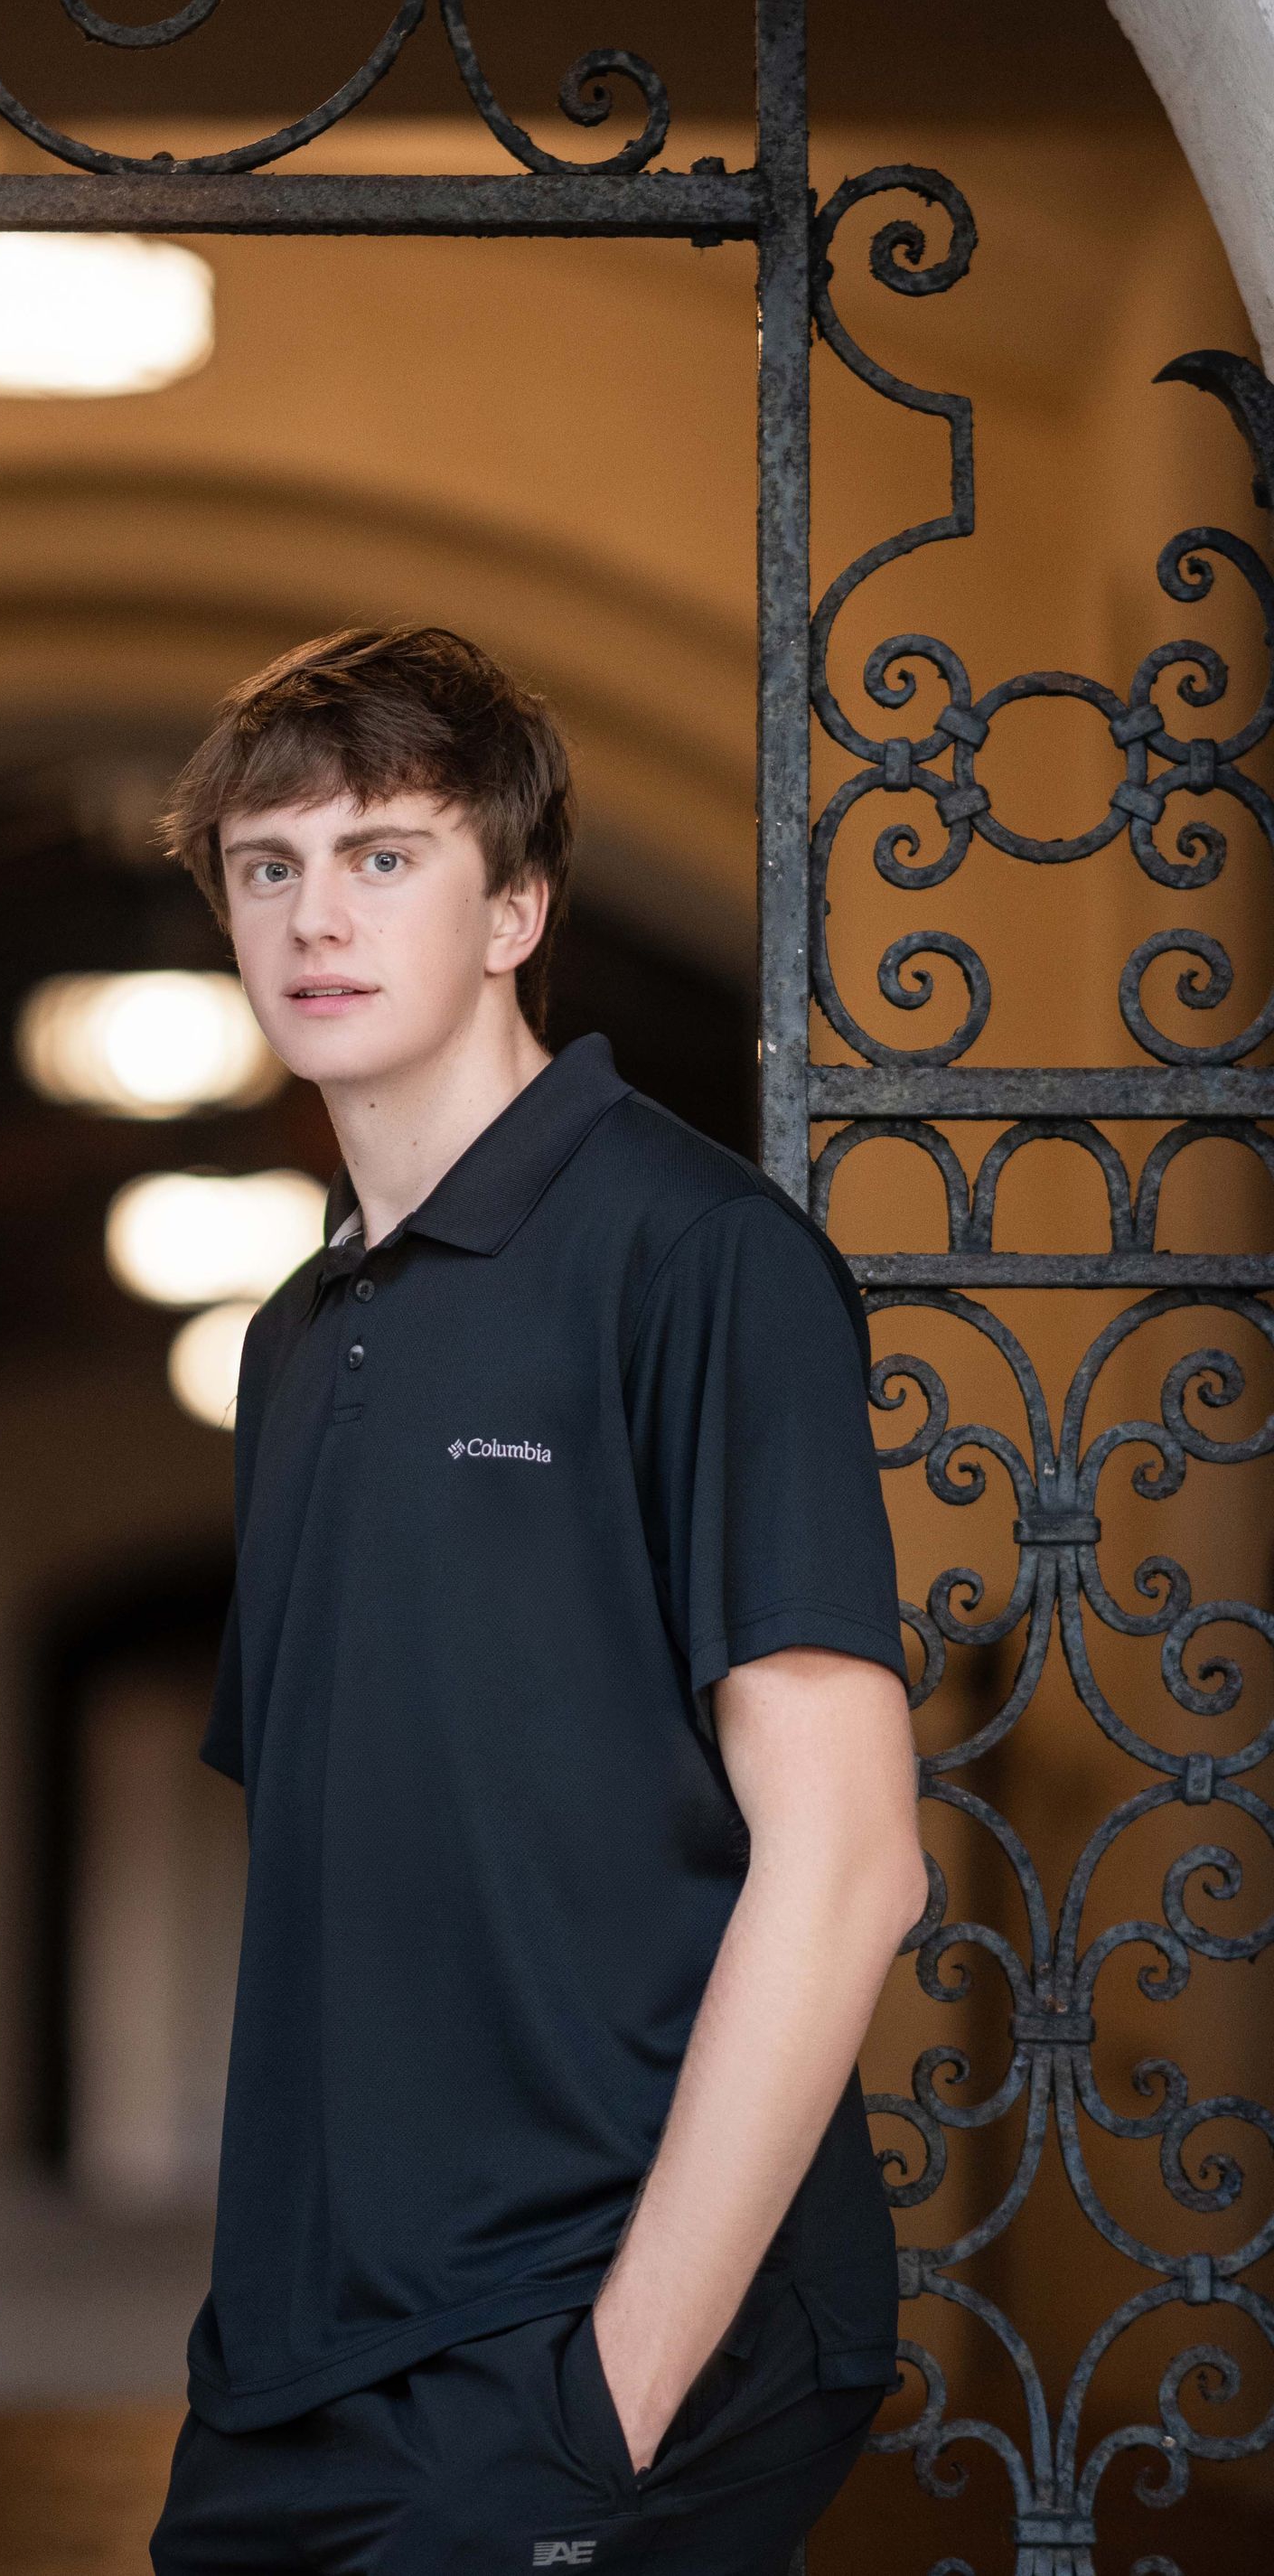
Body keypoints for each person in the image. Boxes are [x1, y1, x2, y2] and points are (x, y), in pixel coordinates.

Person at [147, 625, 926, 2575]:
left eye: (384, 856)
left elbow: (847, 1863)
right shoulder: (297, 1330)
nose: (315, 915)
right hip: (308, 2361)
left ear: (516, 907)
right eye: (269, 866)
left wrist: (613, 2396)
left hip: (602, 2320)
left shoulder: (699, 1261)